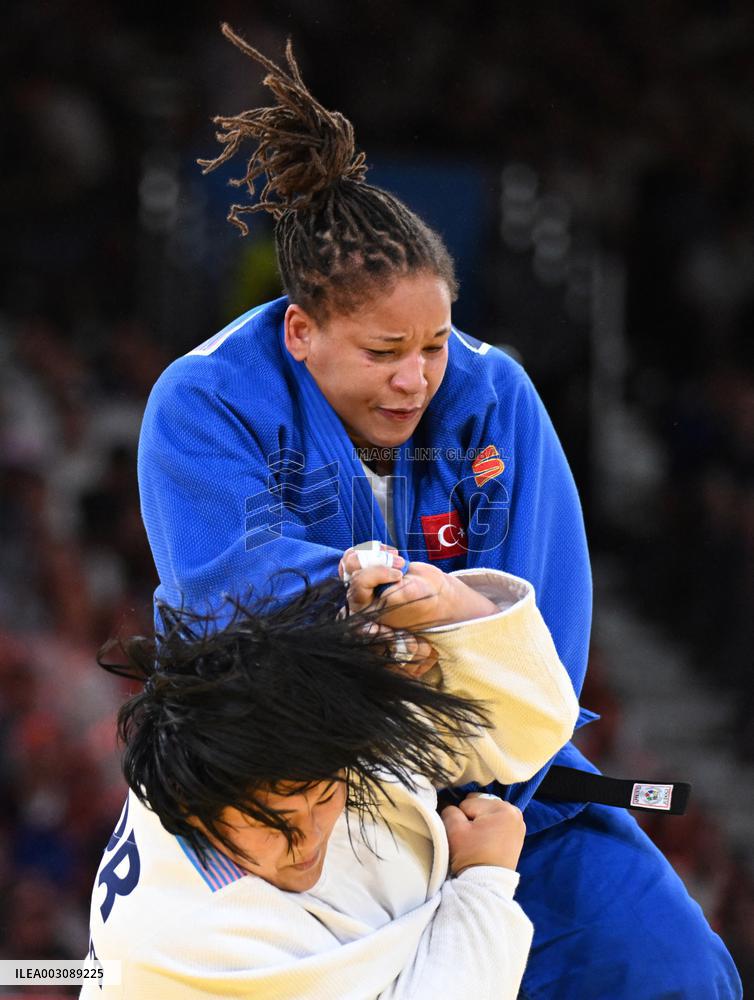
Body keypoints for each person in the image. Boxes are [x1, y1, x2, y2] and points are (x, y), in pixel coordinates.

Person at [136, 24, 742, 998]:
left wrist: (480, 799)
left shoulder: (495, 394)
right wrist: (355, 587)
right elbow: (217, 600)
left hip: (488, 784)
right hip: (289, 794)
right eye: (382, 352)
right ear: (301, 330)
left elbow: (538, 646)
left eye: (434, 341)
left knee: (662, 960)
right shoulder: (205, 400)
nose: (416, 377)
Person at [83, 557, 581, 998]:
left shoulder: (262, 739)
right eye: (275, 824)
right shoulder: (197, 943)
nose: (307, 841)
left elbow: (533, 727)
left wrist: (450, 609)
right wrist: (483, 882)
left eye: (323, 798)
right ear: (193, 812)